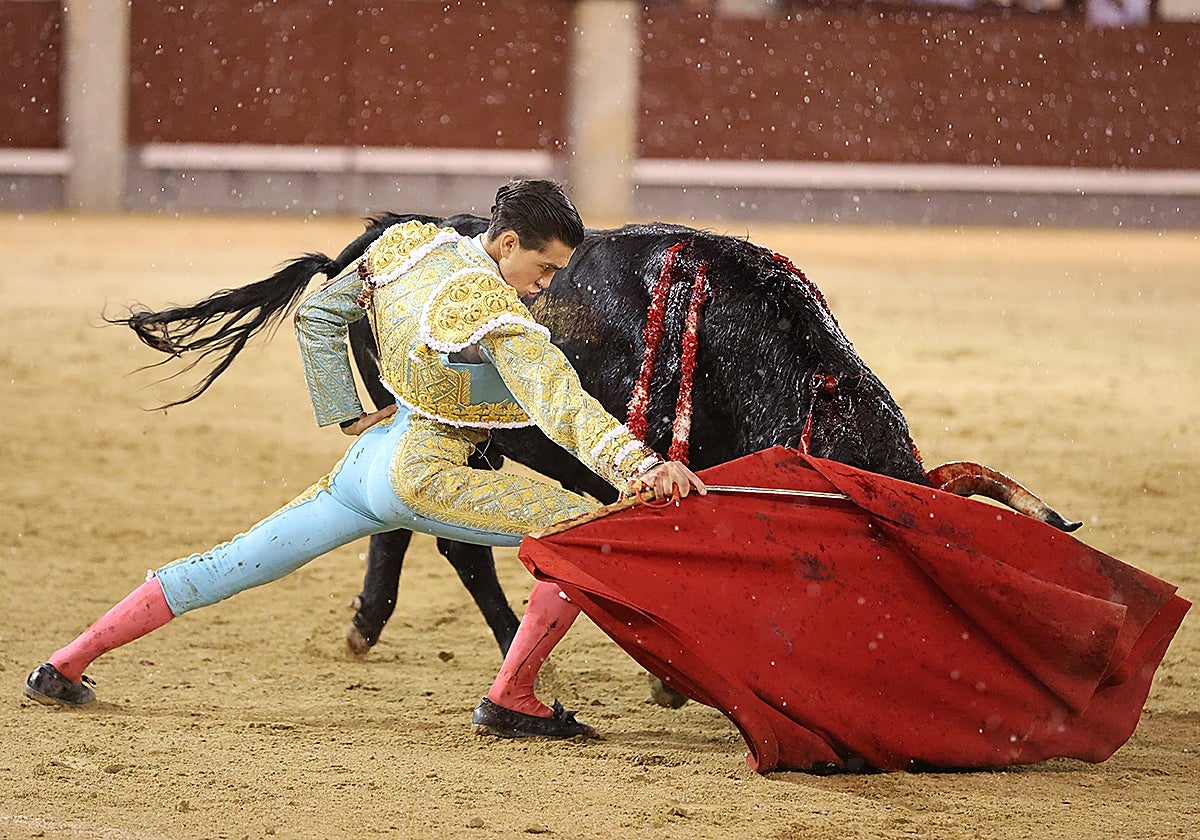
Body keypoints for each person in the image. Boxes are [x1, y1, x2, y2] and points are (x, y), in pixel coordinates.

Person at [24, 179, 705, 738]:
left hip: (368, 467)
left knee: (233, 562)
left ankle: (67, 662)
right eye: (544, 266)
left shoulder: (409, 246)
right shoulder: (490, 306)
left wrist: (346, 409)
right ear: (505, 243)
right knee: (585, 534)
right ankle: (514, 698)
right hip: (425, 472)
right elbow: (561, 405)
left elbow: (319, 314)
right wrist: (642, 469)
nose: (546, 285)